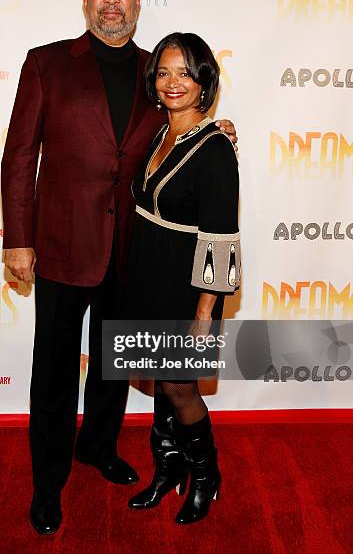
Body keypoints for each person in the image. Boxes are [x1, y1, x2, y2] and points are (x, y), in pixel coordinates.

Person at [1, 0, 237, 534]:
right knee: (53, 372)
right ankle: (48, 481)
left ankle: (98, 448)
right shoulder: (47, 63)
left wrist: (221, 131)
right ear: (86, 1)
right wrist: (17, 239)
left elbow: (181, 134)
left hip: (131, 254)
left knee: (111, 367)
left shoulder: (153, 72)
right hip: (58, 248)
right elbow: (17, 157)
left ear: (137, 0)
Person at [124, 32, 240, 524]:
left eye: (187, 73)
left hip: (187, 290)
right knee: (160, 382)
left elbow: (220, 239)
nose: (175, 83)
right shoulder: (159, 129)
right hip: (148, 278)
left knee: (179, 385)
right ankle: (167, 468)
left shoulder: (215, 148)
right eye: (165, 72)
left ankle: (205, 472)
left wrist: (203, 316)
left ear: (205, 80)